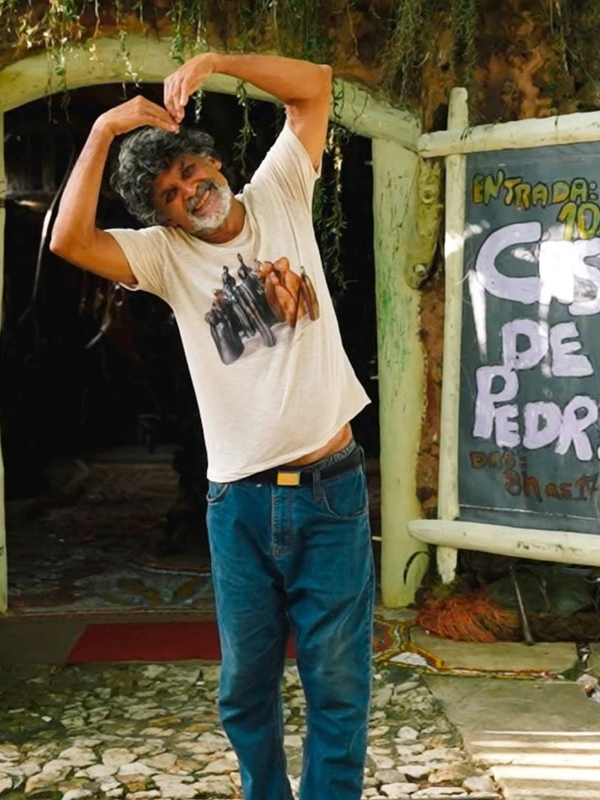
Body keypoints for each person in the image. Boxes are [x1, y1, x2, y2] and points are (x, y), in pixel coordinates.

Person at [49, 52, 373, 800]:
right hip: (240, 507)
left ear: (215, 162)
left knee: (337, 680)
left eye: (193, 173)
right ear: (159, 215)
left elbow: (316, 85)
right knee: (244, 689)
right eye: (168, 194)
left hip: (330, 491)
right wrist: (103, 129)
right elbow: (69, 239)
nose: (190, 192)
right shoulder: (165, 257)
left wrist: (217, 63)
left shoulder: (282, 190)